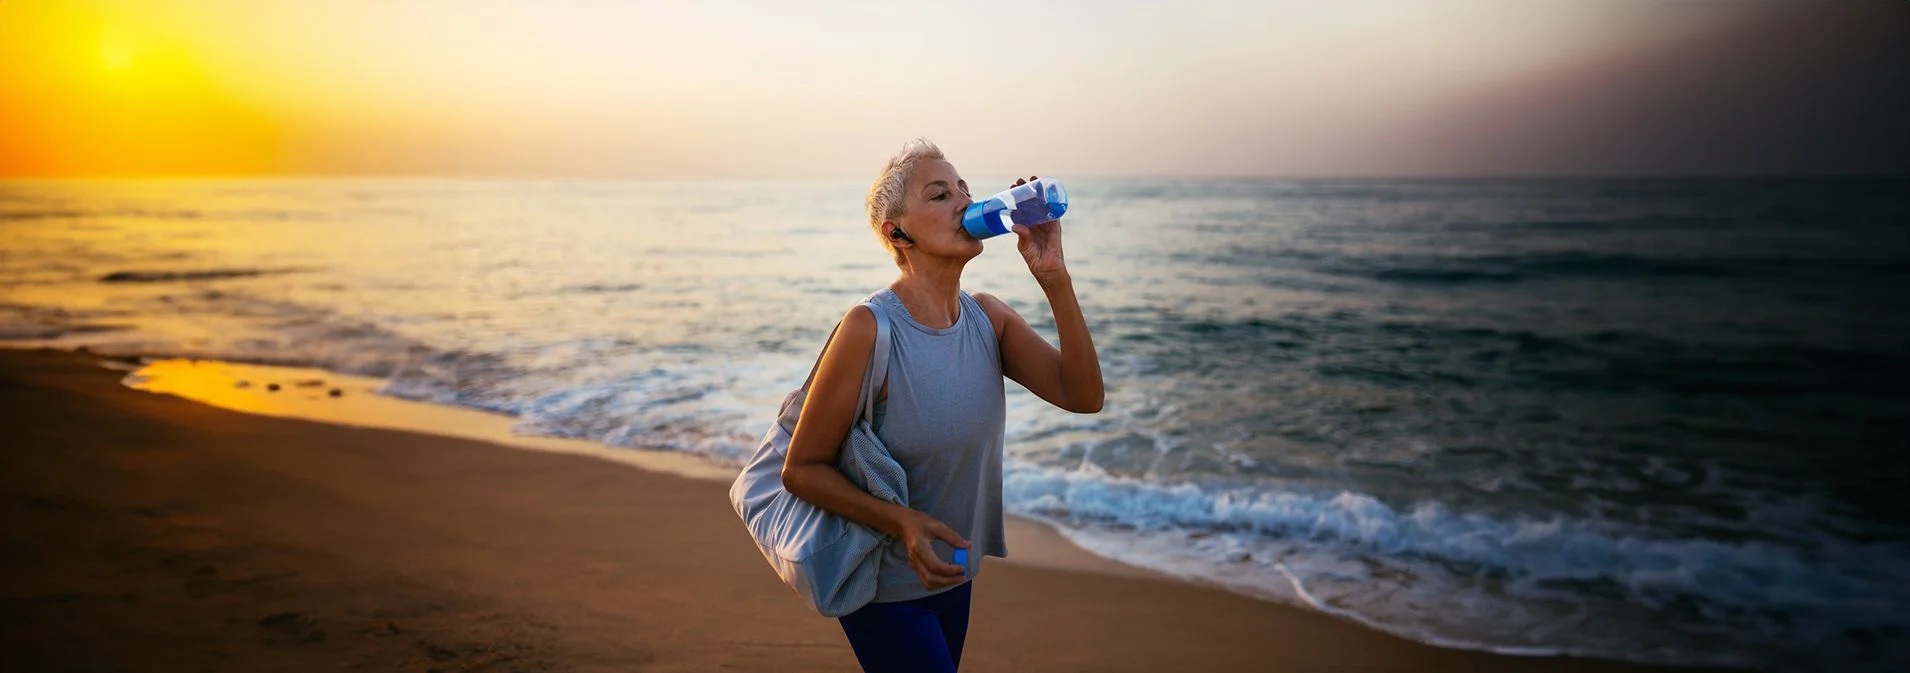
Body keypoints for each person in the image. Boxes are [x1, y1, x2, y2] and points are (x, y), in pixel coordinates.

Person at [779, 138, 1105, 673]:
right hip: (882, 586)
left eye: (965, 191)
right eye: (939, 195)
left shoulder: (989, 320)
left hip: (956, 575)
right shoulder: (869, 328)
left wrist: (1055, 278)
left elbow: (1083, 396)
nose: (963, 203)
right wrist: (904, 523)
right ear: (896, 232)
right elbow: (802, 469)